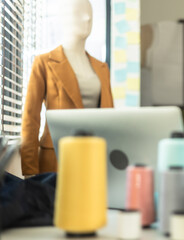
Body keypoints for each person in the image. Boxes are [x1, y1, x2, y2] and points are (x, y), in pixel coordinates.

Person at [20, 0, 114, 177]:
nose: (87, 17)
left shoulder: (102, 68)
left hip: (95, 158)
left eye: (90, 13)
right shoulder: (44, 62)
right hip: (56, 158)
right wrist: (30, 172)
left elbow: (110, 118)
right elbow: (30, 120)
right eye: (79, 12)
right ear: (63, 18)